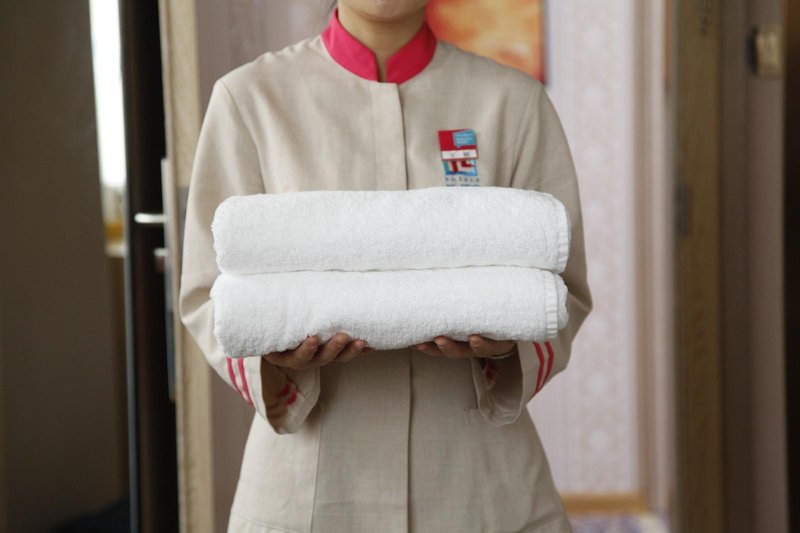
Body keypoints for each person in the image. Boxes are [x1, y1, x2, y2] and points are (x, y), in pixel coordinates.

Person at [178, 1, 593, 531]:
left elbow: (560, 291)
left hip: (480, 484)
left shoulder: (513, 101)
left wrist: (507, 347)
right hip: (311, 487)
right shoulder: (250, 99)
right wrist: (274, 357)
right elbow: (210, 294)